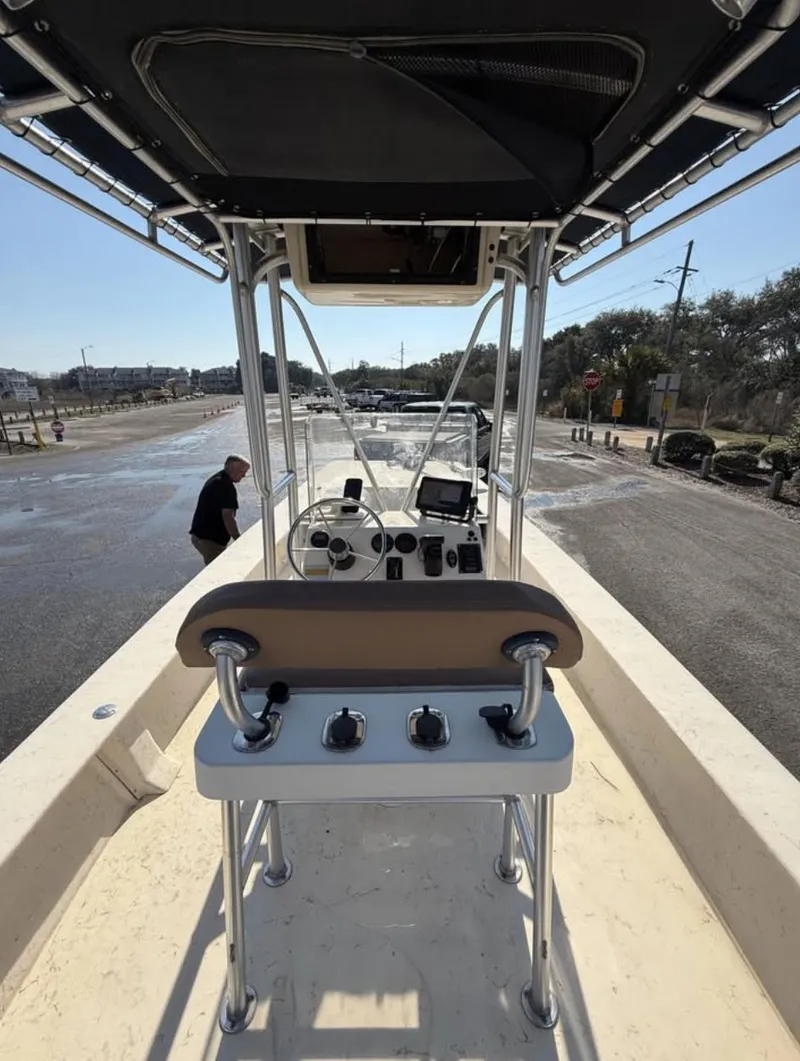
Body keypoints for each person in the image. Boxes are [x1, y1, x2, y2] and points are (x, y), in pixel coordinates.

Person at [190, 454, 250, 565]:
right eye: (242, 471)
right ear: (231, 468)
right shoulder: (226, 487)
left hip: (200, 535)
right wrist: (238, 539)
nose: (244, 475)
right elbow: (228, 517)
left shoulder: (217, 479)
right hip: (209, 540)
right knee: (218, 567)